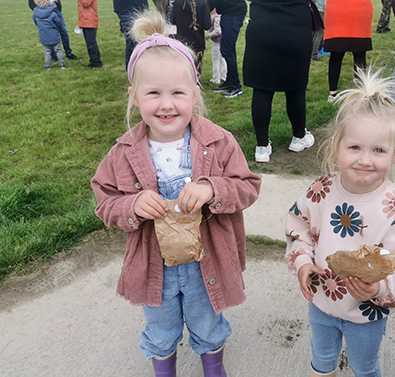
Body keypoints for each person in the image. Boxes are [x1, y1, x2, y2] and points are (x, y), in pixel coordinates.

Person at [91, 10, 261, 377]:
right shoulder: (124, 152)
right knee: (161, 327)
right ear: (135, 97)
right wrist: (132, 204)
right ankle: (163, 370)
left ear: (195, 94)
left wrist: (212, 187)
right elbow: (104, 200)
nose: (166, 104)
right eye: (153, 93)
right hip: (156, 265)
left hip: (207, 261)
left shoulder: (218, 142)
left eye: (177, 93)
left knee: (207, 321)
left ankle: (213, 367)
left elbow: (247, 186)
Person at [285, 69, 395, 377]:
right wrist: (302, 262)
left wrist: (380, 288)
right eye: (354, 147)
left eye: (378, 150)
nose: (365, 159)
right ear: (335, 146)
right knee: (322, 359)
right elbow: (298, 225)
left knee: (365, 366)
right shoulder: (321, 191)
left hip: (367, 313)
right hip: (322, 302)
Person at [243, 0, 314, 163]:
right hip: (294, 27)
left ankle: (262, 146)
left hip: (261, 27)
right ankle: (299, 136)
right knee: (296, 87)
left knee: (261, 89)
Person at [324, 0, 374, 102]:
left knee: (335, 56)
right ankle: (362, 90)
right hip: (359, 10)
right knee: (359, 55)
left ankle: (332, 93)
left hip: (336, 10)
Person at [208, 0, 247, 98]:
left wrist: (200, 11)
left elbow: (210, 3)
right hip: (229, 13)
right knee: (226, 50)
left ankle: (235, 87)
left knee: (227, 50)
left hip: (234, 13)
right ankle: (229, 82)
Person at [172, 0, 211, 77]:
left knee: (182, 70)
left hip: (181, 42)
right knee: (196, 71)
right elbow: (207, 25)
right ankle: (196, 87)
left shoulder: (176, 2)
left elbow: (173, 21)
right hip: (197, 42)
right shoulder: (203, 3)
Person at [113, 0, 150, 69]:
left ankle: (132, 72)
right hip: (129, 7)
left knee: (131, 43)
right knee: (138, 43)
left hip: (133, 7)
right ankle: (139, 72)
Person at [32, 0, 67, 70]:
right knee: (58, 50)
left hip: (43, 35)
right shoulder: (52, 13)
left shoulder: (35, 13)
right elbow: (58, 23)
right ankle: (62, 64)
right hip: (54, 35)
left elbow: (35, 22)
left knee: (47, 51)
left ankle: (47, 65)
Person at [78, 0, 102, 68]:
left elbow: (86, 3)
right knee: (90, 43)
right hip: (85, 20)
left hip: (89, 21)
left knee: (91, 43)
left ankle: (95, 62)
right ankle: (95, 60)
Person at [206, 8, 227, 84]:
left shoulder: (216, 18)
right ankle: (224, 76)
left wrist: (208, 35)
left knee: (215, 60)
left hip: (217, 41)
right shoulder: (222, 16)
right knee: (222, 58)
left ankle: (216, 78)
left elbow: (218, 31)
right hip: (222, 40)